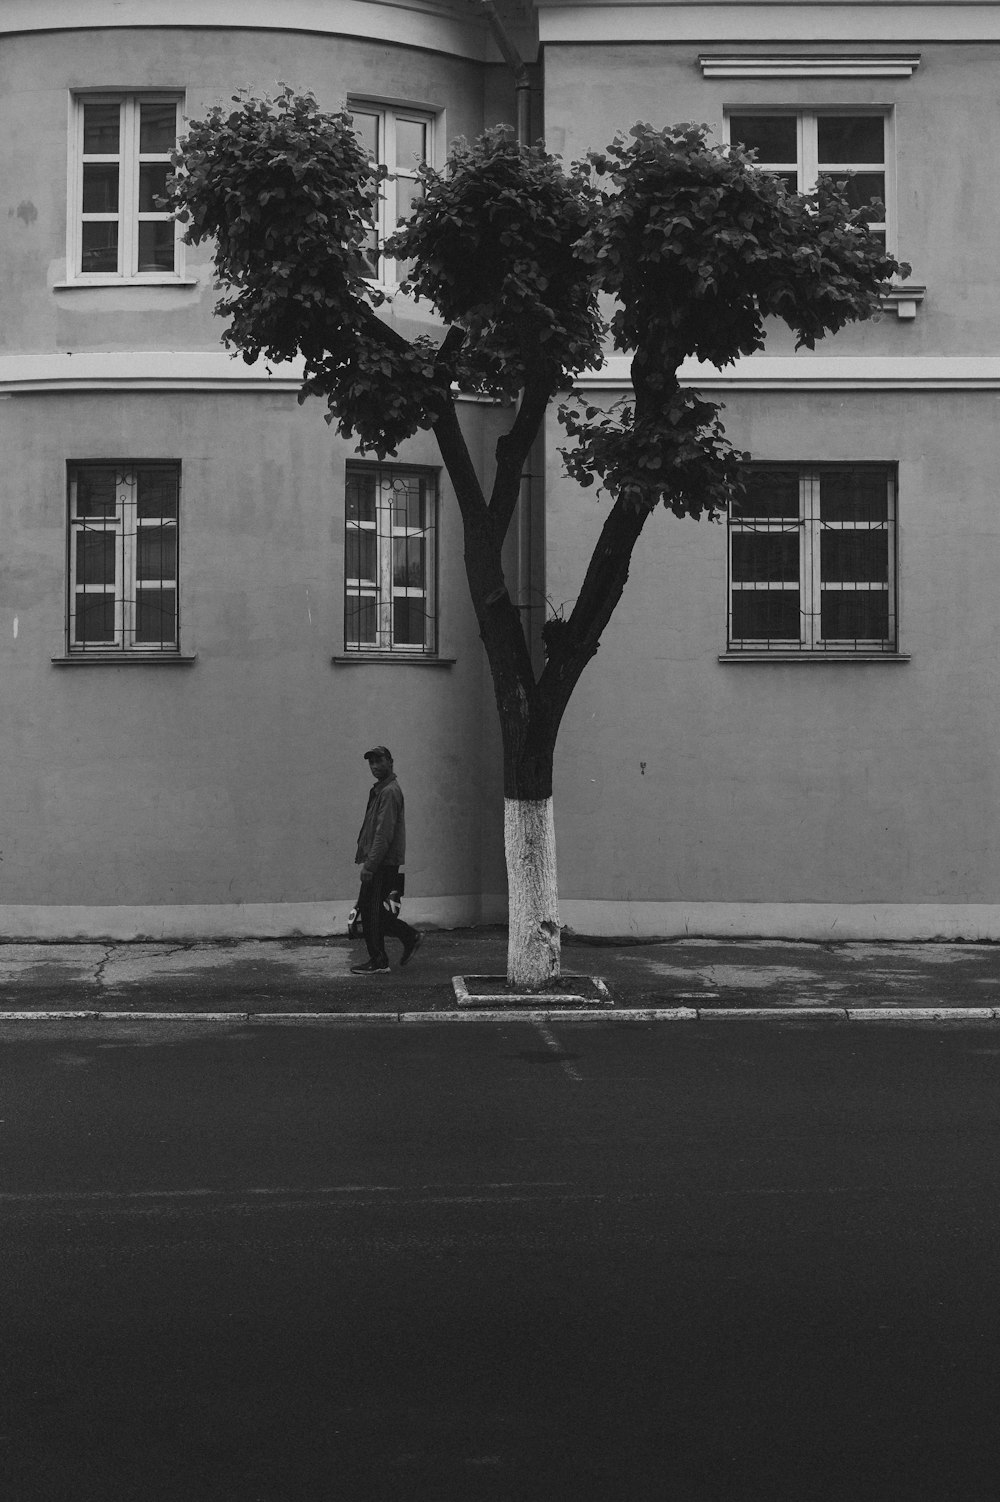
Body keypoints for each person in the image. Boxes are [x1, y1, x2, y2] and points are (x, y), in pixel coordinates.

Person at [350, 745, 422, 974]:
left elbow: (383, 833)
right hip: (381, 861)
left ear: (390, 762)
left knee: (370, 912)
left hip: (382, 863)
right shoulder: (381, 790)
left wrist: (370, 865)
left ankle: (380, 961)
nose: (374, 766)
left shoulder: (389, 791)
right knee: (373, 911)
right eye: (371, 763)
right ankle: (409, 937)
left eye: (379, 761)